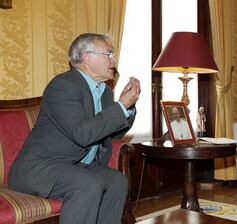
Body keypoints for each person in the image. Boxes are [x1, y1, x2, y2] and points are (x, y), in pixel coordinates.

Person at [8, 33, 140, 224]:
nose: (114, 59)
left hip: (75, 167)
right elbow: (83, 135)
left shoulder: (103, 92)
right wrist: (120, 106)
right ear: (87, 57)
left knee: (117, 181)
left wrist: (128, 107)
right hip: (39, 168)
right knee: (88, 184)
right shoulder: (63, 86)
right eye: (108, 54)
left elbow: (112, 133)